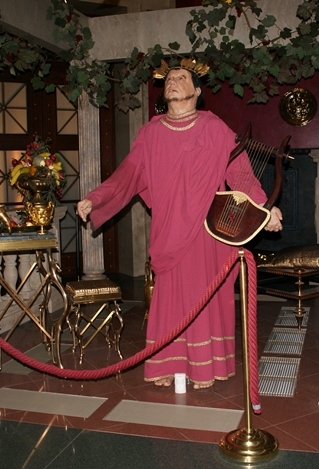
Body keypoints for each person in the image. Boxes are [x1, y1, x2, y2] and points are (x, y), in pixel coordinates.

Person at [77, 61, 283, 389]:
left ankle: (204, 368)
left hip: (207, 231)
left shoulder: (214, 128)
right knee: (170, 300)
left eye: (181, 78)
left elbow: (240, 173)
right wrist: (96, 198)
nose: (172, 82)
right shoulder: (150, 133)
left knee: (204, 297)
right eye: (169, 79)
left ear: (197, 91)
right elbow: (128, 173)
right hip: (169, 229)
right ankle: (167, 364)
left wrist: (265, 209)